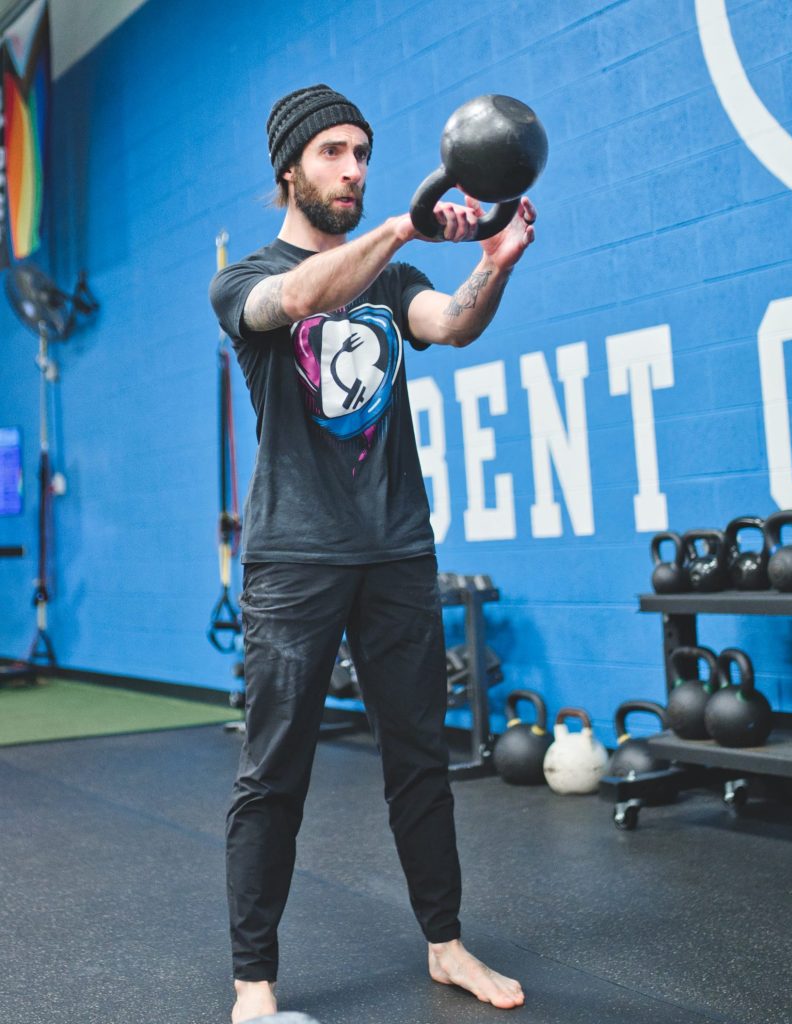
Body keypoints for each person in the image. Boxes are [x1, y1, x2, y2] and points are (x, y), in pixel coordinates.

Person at [209, 83, 537, 1024]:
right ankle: (254, 984)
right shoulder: (244, 281)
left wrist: (497, 262)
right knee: (274, 772)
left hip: (397, 548)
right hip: (294, 559)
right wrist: (400, 227)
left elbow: (452, 323)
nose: (353, 168)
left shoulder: (392, 281)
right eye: (333, 154)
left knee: (419, 761)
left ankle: (446, 945)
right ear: (290, 170)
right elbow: (301, 296)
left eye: (362, 152)